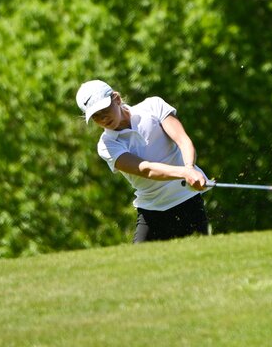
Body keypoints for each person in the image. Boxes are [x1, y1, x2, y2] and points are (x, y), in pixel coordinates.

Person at [75, 79, 210, 243]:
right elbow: (146, 169)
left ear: (116, 99)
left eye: (104, 109)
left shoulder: (153, 106)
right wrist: (185, 172)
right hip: (152, 210)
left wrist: (189, 167)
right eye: (96, 116)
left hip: (187, 199)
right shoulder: (107, 145)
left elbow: (182, 140)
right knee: (137, 266)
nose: (103, 118)